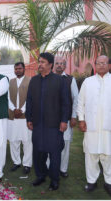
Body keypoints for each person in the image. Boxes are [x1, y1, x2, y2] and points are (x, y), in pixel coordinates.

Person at [77, 55, 111, 197]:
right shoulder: (88, 82)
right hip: (92, 126)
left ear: (109, 66)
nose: (101, 65)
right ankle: (91, 181)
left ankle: (109, 183)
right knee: (91, 155)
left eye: (104, 63)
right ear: (95, 65)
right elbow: (80, 103)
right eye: (98, 63)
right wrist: (81, 120)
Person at [26, 52, 70, 191]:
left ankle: (54, 179)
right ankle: (40, 175)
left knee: (54, 153)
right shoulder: (34, 80)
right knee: (38, 153)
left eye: (43, 62)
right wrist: (29, 118)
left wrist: (64, 120)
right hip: (38, 124)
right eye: (39, 62)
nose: (40, 64)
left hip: (54, 125)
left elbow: (66, 103)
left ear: (50, 64)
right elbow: (30, 101)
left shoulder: (59, 80)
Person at [52, 56, 79, 177]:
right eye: (57, 63)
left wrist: (73, 116)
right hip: (51, 119)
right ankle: (50, 167)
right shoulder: (48, 78)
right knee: (50, 144)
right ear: (53, 65)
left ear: (65, 66)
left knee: (65, 144)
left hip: (66, 118)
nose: (59, 65)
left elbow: (76, 99)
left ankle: (63, 169)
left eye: (61, 63)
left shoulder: (70, 79)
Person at [8, 62, 32, 174]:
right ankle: (16, 162)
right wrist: (14, 109)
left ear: (24, 69)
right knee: (13, 140)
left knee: (27, 141)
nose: (18, 70)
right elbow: (7, 98)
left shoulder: (30, 81)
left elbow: (31, 98)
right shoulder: (10, 82)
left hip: (25, 116)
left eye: (20, 68)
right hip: (13, 116)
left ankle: (27, 164)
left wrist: (22, 110)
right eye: (16, 68)